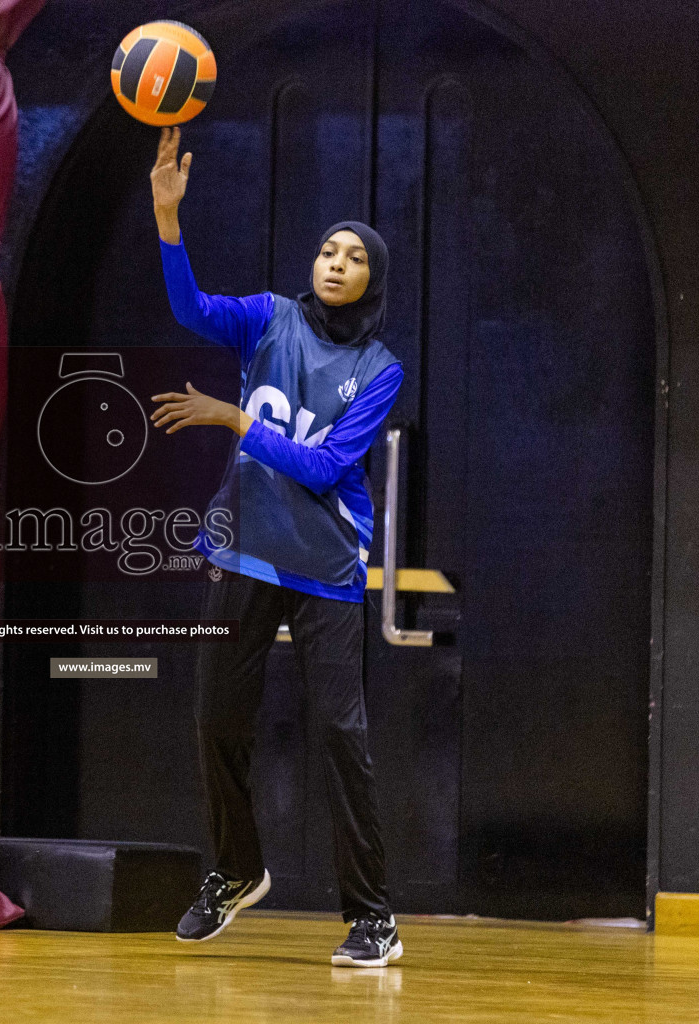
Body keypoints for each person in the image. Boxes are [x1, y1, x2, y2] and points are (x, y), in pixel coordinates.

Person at [146, 128, 406, 968]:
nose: (334, 262)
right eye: (327, 250)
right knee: (215, 718)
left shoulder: (378, 367)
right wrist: (168, 221)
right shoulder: (268, 319)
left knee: (341, 735)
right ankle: (235, 871)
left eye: (352, 257)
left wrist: (234, 420)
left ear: (372, 279)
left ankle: (373, 917)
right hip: (245, 549)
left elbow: (330, 466)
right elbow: (190, 311)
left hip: (327, 566)